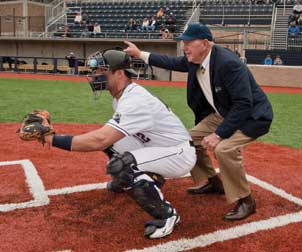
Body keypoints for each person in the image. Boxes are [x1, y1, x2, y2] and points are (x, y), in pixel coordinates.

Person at [28, 49, 196, 239]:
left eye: (101, 70)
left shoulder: (135, 101)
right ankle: (142, 179)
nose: (95, 75)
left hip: (177, 153)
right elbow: (106, 140)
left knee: (122, 164)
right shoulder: (123, 96)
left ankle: (167, 215)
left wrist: (51, 138)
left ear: (119, 73)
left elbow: (99, 139)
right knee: (112, 144)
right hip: (155, 145)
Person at [124, 23, 273, 221]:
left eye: (188, 42)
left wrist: (219, 134)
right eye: (183, 42)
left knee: (224, 149)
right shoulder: (195, 59)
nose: (184, 47)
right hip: (226, 113)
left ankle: (246, 201)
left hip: (252, 116)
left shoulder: (228, 63)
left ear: (204, 43)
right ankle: (214, 182)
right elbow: (171, 62)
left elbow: (244, 104)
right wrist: (139, 53)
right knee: (187, 140)